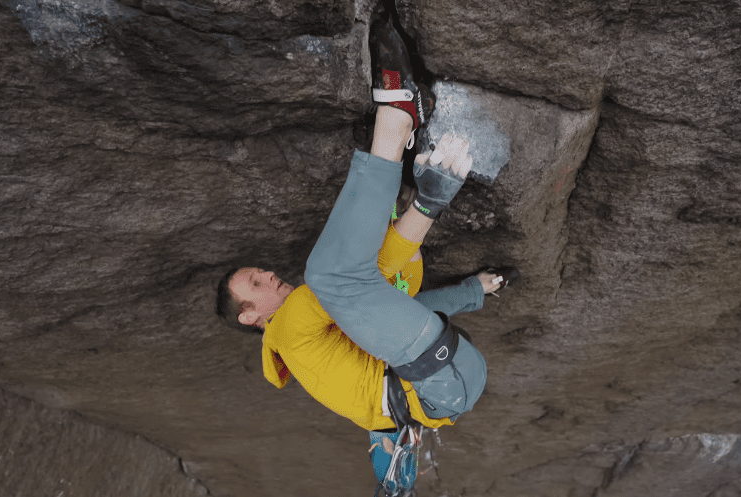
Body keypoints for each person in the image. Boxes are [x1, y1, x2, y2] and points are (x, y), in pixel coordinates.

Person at [215, 18, 516, 495]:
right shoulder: (288, 329)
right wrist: (424, 209)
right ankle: (396, 125)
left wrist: (476, 289)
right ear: (253, 319)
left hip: (452, 380)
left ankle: (415, 162)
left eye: (260, 271)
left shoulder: (329, 345)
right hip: (433, 378)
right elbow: (362, 273)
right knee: (335, 274)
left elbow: (407, 303)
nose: (268, 274)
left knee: (368, 284)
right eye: (255, 284)